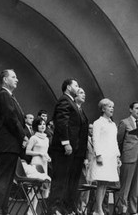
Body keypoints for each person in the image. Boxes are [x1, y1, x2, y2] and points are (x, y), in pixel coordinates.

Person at [0, 69, 27, 215]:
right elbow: (11, 118)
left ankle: (2, 211)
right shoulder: (4, 95)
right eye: (13, 77)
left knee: (6, 181)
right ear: (4, 79)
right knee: (1, 180)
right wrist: (23, 136)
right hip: (6, 145)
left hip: (10, 146)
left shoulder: (9, 96)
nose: (17, 79)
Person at [48, 79, 88, 215]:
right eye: (76, 85)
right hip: (64, 149)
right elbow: (61, 122)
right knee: (60, 179)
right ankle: (53, 209)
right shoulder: (65, 100)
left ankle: (64, 208)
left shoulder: (73, 104)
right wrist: (66, 143)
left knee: (67, 180)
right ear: (69, 87)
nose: (78, 88)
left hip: (74, 151)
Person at [89, 99, 121, 215]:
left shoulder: (113, 124)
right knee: (100, 183)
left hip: (111, 157)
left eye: (113, 107)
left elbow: (115, 141)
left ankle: (99, 209)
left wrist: (117, 156)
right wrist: (98, 155)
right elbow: (95, 139)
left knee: (105, 184)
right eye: (109, 106)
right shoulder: (98, 123)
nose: (112, 109)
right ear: (103, 109)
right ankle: (98, 209)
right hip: (102, 156)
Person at [117, 101, 138, 215]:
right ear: (131, 110)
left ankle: (133, 211)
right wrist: (119, 157)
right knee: (125, 187)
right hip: (128, 158)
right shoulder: (124, 122)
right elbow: (119, 141)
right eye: (137, 108)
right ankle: (122, 210)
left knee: (135, 188)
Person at [25, 118, 51, 215]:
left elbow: (46, 151)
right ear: (36, 126)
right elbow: (27, 151)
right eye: (40, 124)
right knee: (33, 188)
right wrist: (39, 153)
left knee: (41, 187)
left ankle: (34, 210)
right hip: (36, 162)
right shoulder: (33, 138)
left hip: (44, 163)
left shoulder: (47, 138)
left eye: (44, 124)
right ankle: (30, 211)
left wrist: (47, 157)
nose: (43, 126)